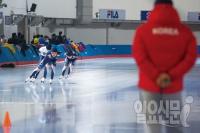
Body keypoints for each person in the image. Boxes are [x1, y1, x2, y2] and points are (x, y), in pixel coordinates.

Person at [132, 0, 197, 133]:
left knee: (152, 125)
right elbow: (190, 58)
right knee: (174, 126)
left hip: (149, 85)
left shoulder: (142, 31)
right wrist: (170, 76)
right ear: (173, 8)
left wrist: (156, 76)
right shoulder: (185, 32)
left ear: (154, 8)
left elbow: (140, 57)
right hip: (172, 86)